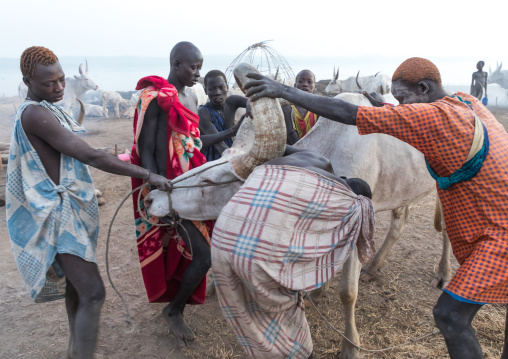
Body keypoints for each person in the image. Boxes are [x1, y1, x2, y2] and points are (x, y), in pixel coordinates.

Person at [244, 57, 508, 359]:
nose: (402, 106)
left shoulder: (436, 120)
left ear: (424, 88)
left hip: (499, 233)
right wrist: (385, 107)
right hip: (494, 215)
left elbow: (346, 112)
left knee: (450, 315)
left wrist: (282, 90)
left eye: (404, 98)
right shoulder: (466, 101)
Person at [6, 46, 171, 359]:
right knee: (94, 294)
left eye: (61, 81)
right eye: (48, 83)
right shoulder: (35, 114)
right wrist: (148, 174)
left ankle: (75, 352)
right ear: (27, 80)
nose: (58, 88)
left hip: (64, 210)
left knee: (77, 288)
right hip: (57, 217)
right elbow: (90, 155)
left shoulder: (45, 108)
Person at [210, 144, 375, 359]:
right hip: (254, 254)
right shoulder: (339, 207)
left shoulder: (315, 158)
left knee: (246, 307)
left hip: (222, 234)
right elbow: (309, 254)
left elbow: (275, 144)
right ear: (349, 200)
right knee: (287, 318)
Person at [131, 41, 217, 347]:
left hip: (194, 182)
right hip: (169, 187)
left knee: (200, 250)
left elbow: (193, 144)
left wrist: (229, 135)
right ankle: (173, 309)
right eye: (193, 67)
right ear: (175, 63)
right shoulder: (155, 97)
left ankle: (175, 302)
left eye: (200, 66)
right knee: (204, 255)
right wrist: (157, 191)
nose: (198, 73)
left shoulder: (191, 96)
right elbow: (147, 149)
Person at [198, 70, 251, 161]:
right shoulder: (203, 112)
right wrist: (233, 131)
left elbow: (252, 102)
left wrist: (250, 107)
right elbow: (220, 146)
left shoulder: (232, 102)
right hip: (213, 161)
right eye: (211, 89)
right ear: (205, 91)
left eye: (221, 87)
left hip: (232, 154)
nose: (217, 92)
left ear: (227, 87)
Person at [282, 70, 319, 145]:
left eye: (309, 82)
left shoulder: (319, 111)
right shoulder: (287, 108)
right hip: (293, 153)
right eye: (301, 81)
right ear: (295, 85)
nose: (305, 84)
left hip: (315, 150)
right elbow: (292, 138)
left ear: (315, 86)